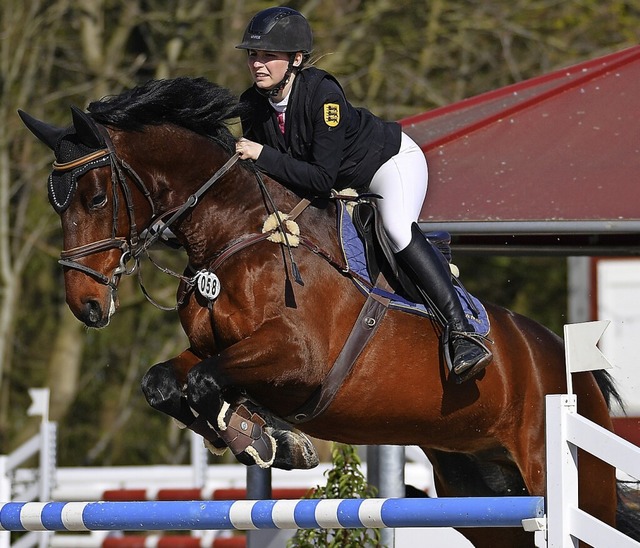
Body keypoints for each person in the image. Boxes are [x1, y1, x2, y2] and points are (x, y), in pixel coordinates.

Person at [234, 6, 492, 380]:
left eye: (268, 56)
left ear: (296, 60)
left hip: (387, 165)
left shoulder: (324, 96)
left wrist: (262, 154)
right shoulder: (252, 104)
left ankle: (461, 332)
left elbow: (321, 179)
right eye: (253, 55)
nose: (258, 64)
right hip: (341, 184)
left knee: (397, 228)